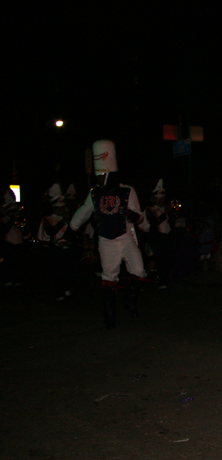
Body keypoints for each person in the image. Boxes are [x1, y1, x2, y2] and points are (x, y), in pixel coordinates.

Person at [67, 139, 147, 328]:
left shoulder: (127, 191)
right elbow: (82, 214)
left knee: (139, 270)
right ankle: (109, 314)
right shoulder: (95, 194)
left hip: (126, 237)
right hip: (107, 241)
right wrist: (70, 231)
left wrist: (133, 216)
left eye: (101, 175)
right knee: (109, 276)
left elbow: (140, 216)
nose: (98, 179)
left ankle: (130, 301)